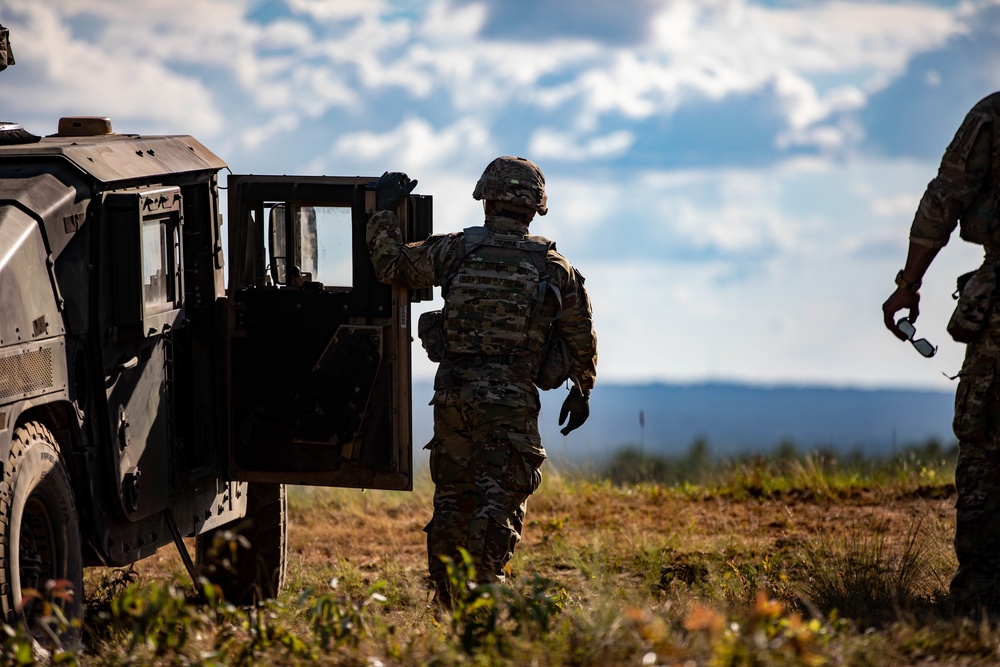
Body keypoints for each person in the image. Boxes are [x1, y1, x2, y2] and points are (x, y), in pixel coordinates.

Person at [367, 157, 598, 604]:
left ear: (486, 198)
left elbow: (390, 266)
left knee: (455, 497)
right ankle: (482, 601)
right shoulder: (554, 267)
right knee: (501, 500)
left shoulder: (455, 250)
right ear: (535, 207)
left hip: (454, 397)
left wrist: (385, 211)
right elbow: (579, 335)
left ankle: (449, 603)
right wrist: (581, 389)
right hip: (510, 402)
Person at [882, 91, 1000, 614]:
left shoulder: (994, 115)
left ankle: (982, 595)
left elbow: (944, 199)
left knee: (986, 440)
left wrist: (910, 283)